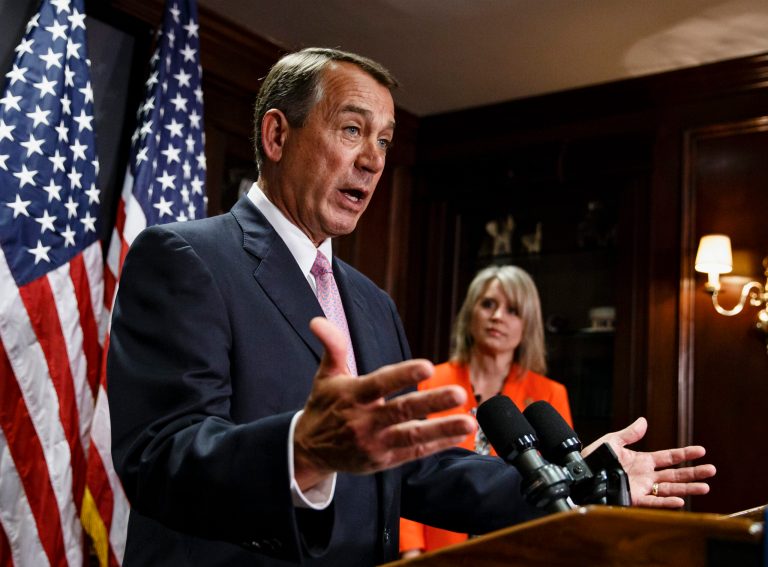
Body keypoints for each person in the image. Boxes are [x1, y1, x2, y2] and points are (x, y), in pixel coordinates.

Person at [107, 47, 716, 566]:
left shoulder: (371, 303)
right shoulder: (187, 257)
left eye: (384, 140)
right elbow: (159, 456)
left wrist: (576, 483)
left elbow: (419, 471)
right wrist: (302, 449)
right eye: (351, 130)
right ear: (276, 134)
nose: (373, 159)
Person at [400, 265, 573, 557]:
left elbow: (561, 483)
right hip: (436, 552)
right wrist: (411, 549)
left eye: (513, 310)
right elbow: (405, 469)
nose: (497, 317)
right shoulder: (430, 381)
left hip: (516, 552)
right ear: (470, 313)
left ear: (527, 325)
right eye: (488, 304)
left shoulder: (549, 394)